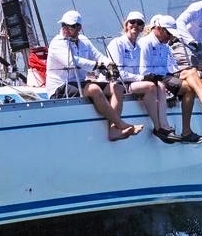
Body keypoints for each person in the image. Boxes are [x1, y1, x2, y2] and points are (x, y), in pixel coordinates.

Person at [46, 9, 143, 141]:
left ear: (79, 28)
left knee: (117, 88)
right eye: (64, 25)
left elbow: (98, 55)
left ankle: (114, 130)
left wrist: (109, 64)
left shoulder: (84, 40)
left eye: (71, 26)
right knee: (94, 89)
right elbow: (72, 61)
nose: (65, 29)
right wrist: (97, 65)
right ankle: (121, 124)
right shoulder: (57, 42)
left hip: (79, 83)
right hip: (60, 87)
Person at [138, 15, 202, 144]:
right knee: (188, 87)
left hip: (166, 77)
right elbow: (143, 72)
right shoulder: (145, 43)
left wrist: (200, 74)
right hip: (154, 79)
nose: (170, 37)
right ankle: (187, 130)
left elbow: (173, 69)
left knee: (194, 73)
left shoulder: (165, 46)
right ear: (158, 28)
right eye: (168, 33)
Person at [107, 10, 179, 144]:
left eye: (139, 23)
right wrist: (141, 78)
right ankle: (158, 127)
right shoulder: (117, 43)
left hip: (132, 83)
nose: (135, 25)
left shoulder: (139, 46)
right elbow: (117, 73)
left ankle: (164, 126)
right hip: (119, 83)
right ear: (126, 24)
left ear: (142, 27)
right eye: (132, 22)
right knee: (150, 86)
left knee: (160, 85)